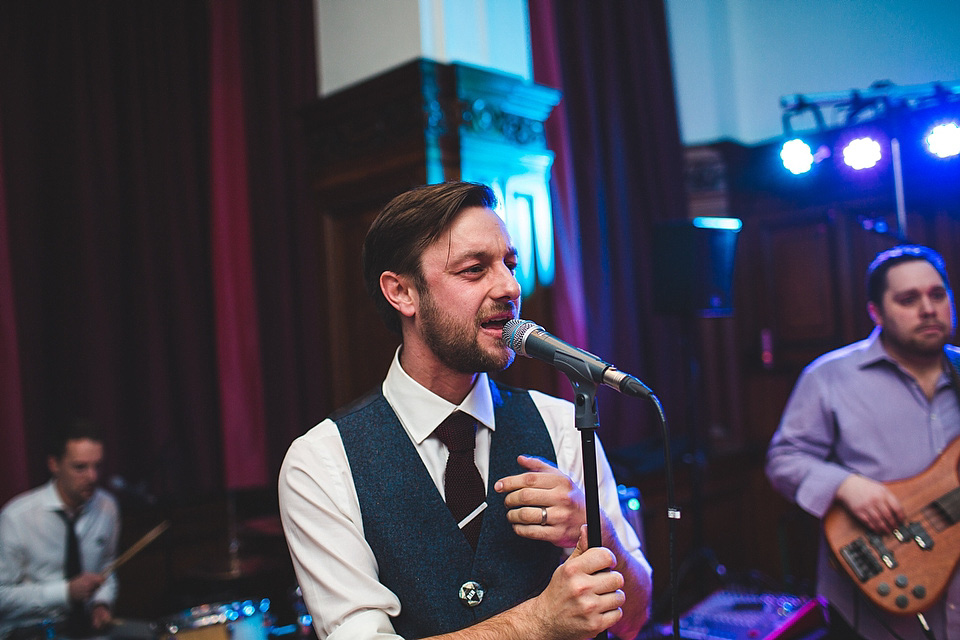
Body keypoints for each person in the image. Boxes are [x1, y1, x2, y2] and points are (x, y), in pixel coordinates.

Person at [279, 181, 653, 640]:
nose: (511, 287)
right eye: (475, 270)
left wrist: (595, 530)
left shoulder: (560, 423)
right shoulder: (320, 462)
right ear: (402, 293)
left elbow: (635, 619)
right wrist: (536, 623)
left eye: (510, 264)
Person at [766, 245, 960, 640]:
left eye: (937, 295)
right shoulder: (830, 376)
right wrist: (844, 485)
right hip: (874, 605)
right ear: (876, 311)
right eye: (908, 299)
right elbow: (783, 459)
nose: (928, 308)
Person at [0, 420, 120, 637]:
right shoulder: (17, 517)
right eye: (80, 467)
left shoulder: (107, 507)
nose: (92, 477)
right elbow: (1, 595)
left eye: (97, 466)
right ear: (55, 464)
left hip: (85, 627)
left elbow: (107, 570)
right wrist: (64, 592)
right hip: (29, 630)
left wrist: (101, 603)